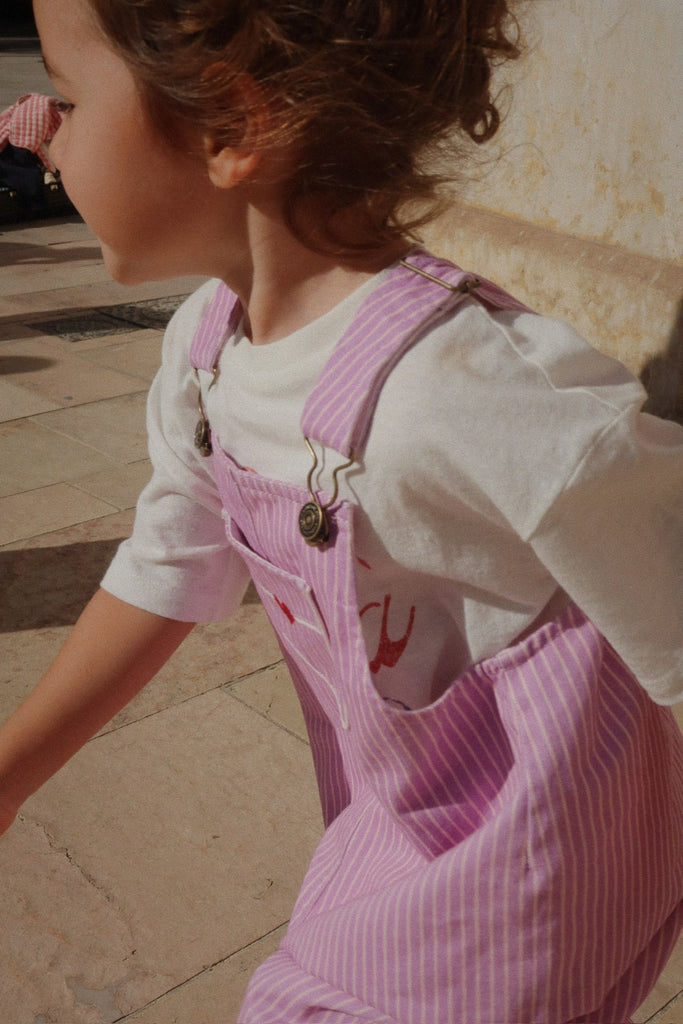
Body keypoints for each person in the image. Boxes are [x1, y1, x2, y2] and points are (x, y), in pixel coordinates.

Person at [2, 0, 682, 1020]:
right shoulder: (206, 352)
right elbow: (167, 561)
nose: (43, 137)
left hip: (513, 892)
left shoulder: (468, 394)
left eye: (67, 98)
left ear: (230, 123)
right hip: (388, 835)